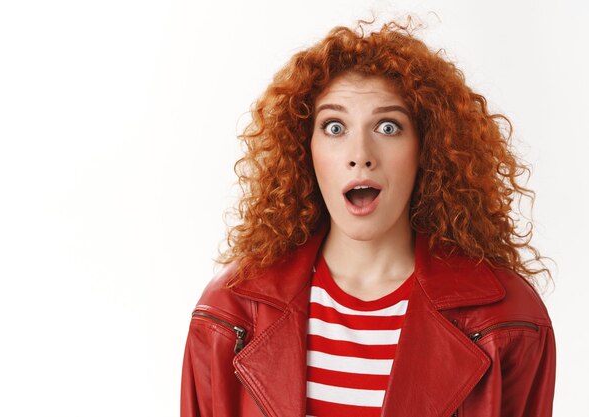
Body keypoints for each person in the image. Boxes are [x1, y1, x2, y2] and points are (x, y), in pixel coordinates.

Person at [180, 17, 556, 417]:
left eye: (388, 126)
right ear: (303, 150)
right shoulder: (229, 312)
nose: (360, 153)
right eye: (335, 126)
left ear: (426, 149)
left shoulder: (509, 320)